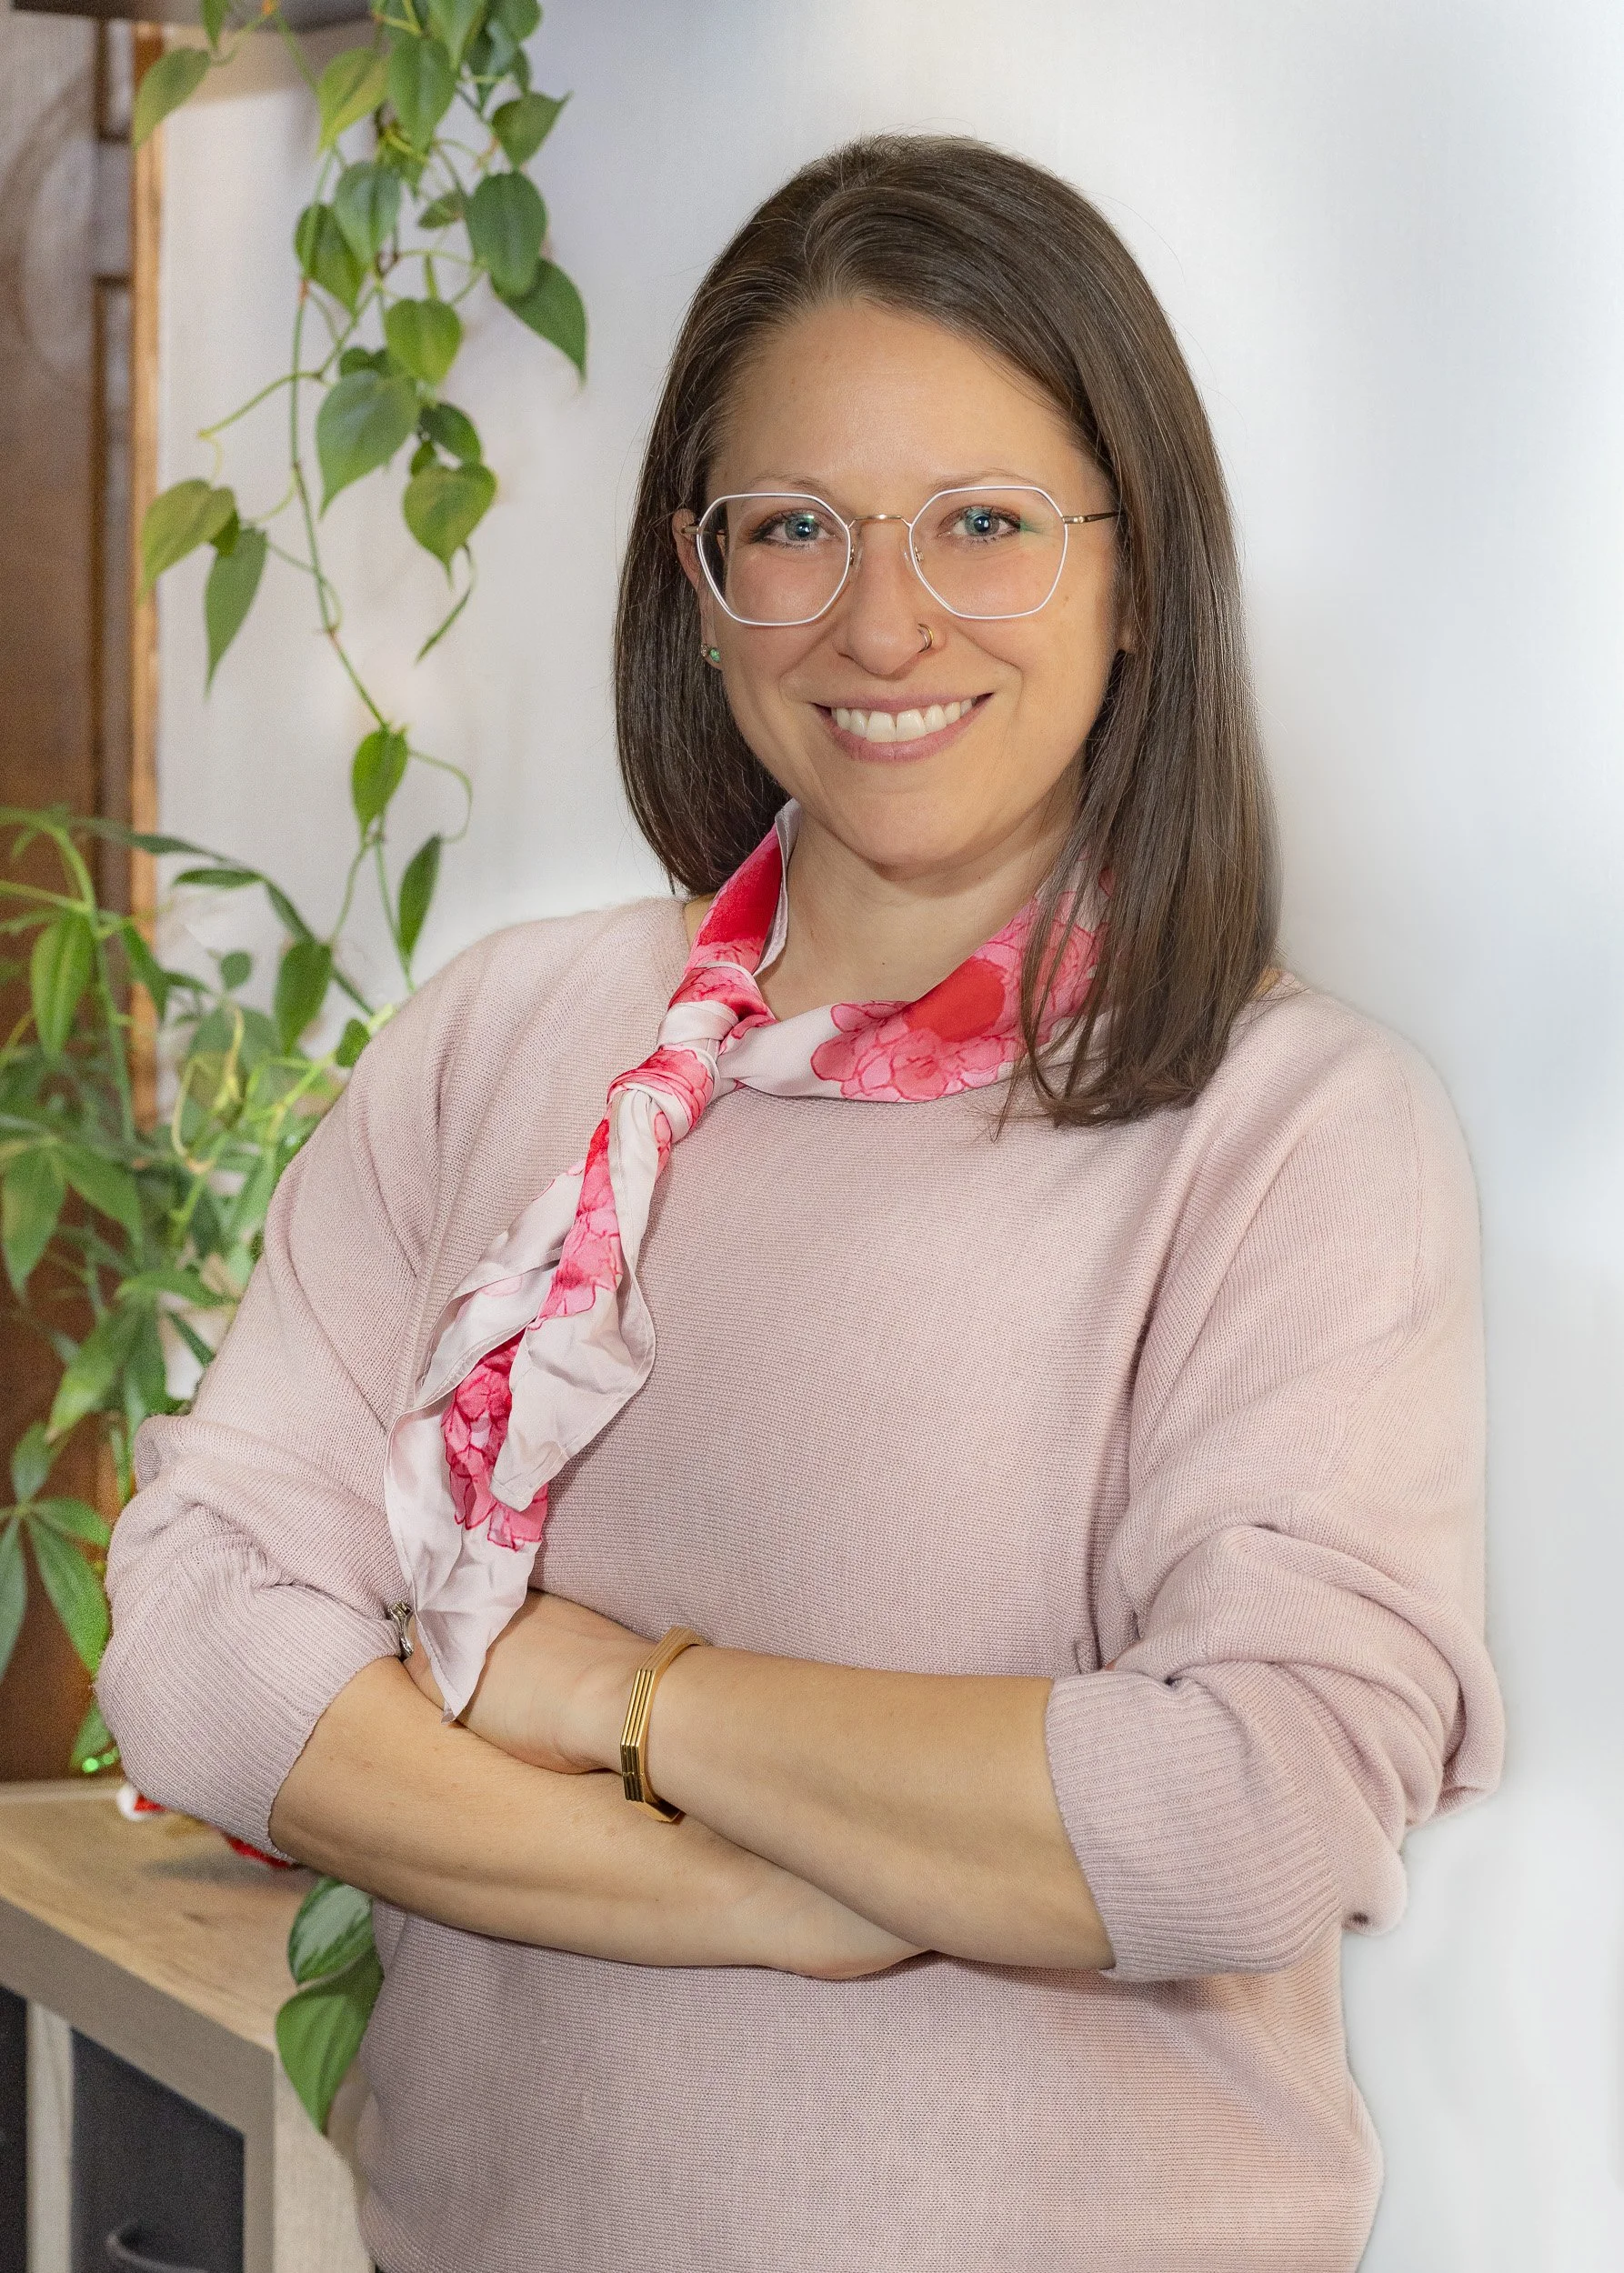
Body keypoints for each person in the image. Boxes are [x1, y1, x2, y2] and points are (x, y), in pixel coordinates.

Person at [100, 135, 1504, 2273]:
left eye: (983, 525)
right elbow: (201, 1651)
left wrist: (615, 1699)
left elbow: (1239, 1813)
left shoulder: (1288, 1131)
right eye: (792, 528)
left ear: (1138, 574)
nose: (878, 620)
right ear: (698, 569)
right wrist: (795, 1898)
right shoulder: (503, 1037)